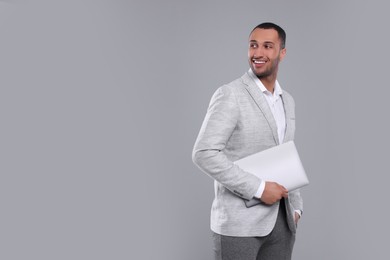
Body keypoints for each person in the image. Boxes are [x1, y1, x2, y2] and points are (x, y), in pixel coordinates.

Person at [192, 22, 303, 260]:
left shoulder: (288, 101)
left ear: (282, 52)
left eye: (267, 46)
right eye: (253, 45)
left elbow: (285, 153)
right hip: (238, 226)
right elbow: (204, 152)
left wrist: (296, 208)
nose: (258, 53)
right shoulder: (230, 94)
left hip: (282, 224)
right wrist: (259, 189)